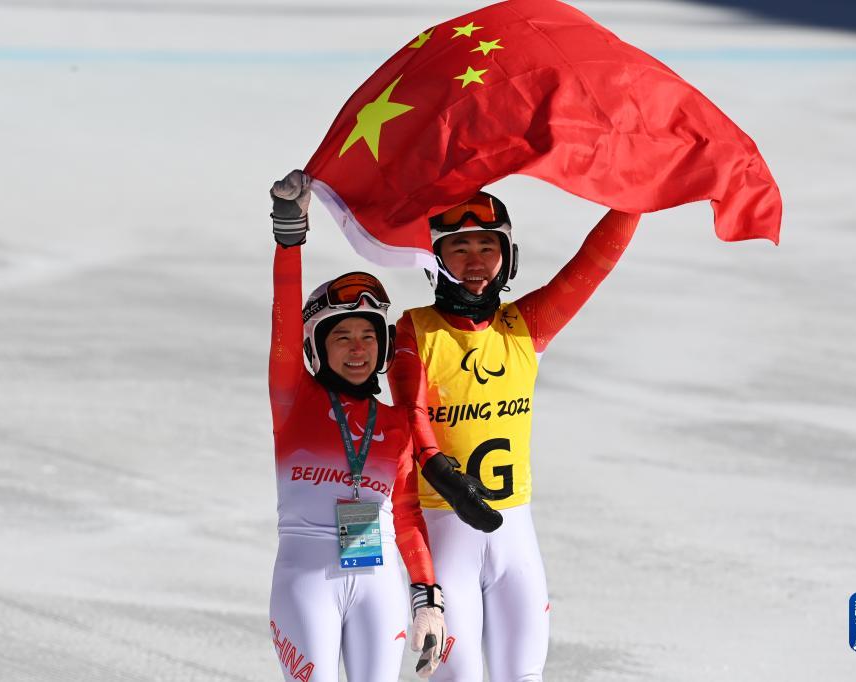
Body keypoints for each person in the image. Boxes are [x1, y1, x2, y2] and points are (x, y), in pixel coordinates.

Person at [388, 191, 641, 681]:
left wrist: (640, 192)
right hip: (445, 532)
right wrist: (444, 475)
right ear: (434, 258)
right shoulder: (414, 330)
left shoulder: (527, 325)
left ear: (508, 256)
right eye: (460, 248)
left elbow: (595, 261)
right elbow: (409, 414)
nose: (475, 262)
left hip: (515, 538)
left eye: (488, 247)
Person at [266, 170, 446, 681]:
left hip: (379, 582)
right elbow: (284, 316)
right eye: (341, 336)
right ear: (316, 347)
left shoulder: (396, 424)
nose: (356, 348)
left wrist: (427, 598)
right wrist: (288, 238)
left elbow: (406, 515)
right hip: (307, 580)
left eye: (367, 336)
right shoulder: (293, 398)